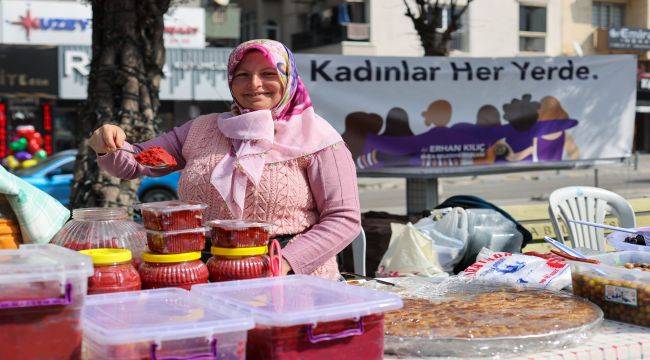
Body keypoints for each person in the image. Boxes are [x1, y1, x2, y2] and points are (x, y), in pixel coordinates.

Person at [88, 39, 361, 280]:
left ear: (288, 80)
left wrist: (286, 262)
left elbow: (343, 219)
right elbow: (134, 163)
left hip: (291, 281)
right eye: (242, 75)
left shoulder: (319, 139)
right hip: (211, 276)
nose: (254, 84)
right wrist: (108, 143)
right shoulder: (202, 129)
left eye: (268, 74)